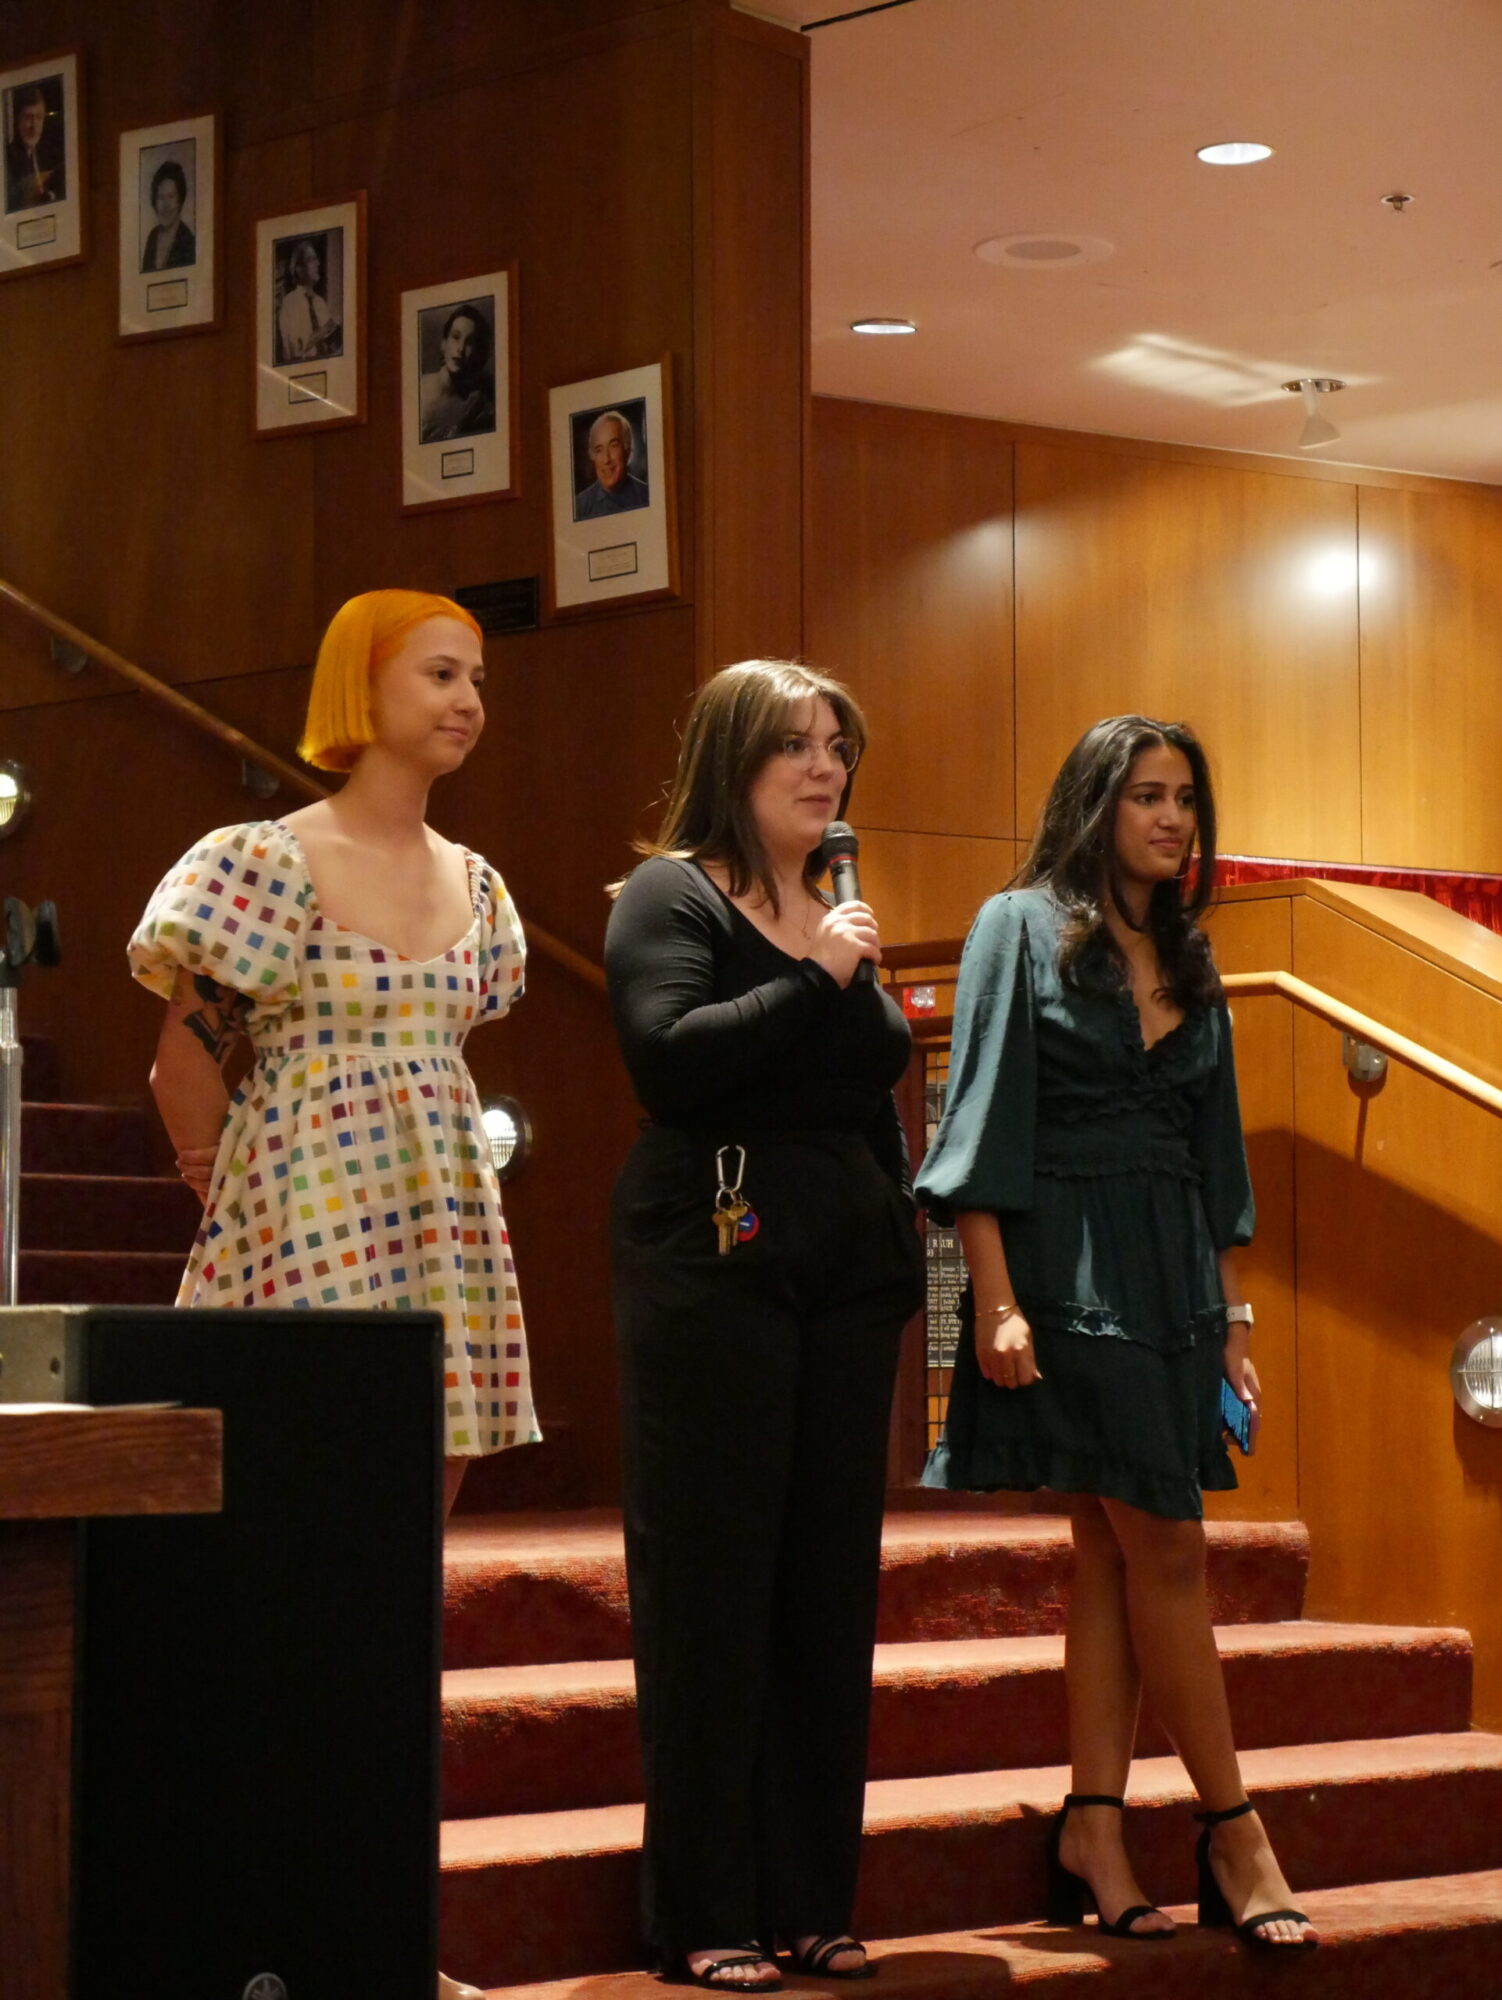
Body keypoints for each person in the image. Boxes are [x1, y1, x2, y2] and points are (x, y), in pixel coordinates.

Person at [129, 588, 537, 2000]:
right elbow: (182, 1060)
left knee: (396, 1604)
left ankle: (380, 1936)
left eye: (477, 675)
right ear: (363, 683)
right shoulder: (261, 863)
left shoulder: (479, 887)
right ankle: (264, 1929)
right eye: (438, 671)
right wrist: (235, 1189)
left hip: (438, 1240)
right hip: (301, 1239)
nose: (466, 697)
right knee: (284, 1594)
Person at [917, 715, 1317, 1953]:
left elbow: (1214, 1156)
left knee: (1109, 1543)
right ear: (1093, 802)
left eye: (1185, 799)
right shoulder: (1014, 923)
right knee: (1172, 1547)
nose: (1169, 819)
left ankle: (1094, 1819)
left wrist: (1234, 1315)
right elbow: (977, 1124)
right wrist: (993, 1297)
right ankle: (1233, 1827)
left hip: (1173, 1279)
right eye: (1145, 794)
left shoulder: (1189, 950)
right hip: (1063, 1263)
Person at [605, 661, 925, 1991]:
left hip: (843, 1270)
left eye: (837, 746)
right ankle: (705, 1910)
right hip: (713, 1257)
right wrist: (817, 971)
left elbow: (862, 1086)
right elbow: (669, 1055)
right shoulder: (668, 891)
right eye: (792, 745)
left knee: (823, 1586)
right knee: (712, 1582)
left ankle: (809, 1897)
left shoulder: (835, 902)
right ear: (731, 759)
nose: (823, 768)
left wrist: (895, 1241)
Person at [419, 303, 496, 443]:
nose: (460, 349)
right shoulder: (420, 390)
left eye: (469, 342)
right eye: (455, 337)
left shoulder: (475, 403)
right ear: (444, 344)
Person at [574, 409, 649, 518]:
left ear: (628, 449)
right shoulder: (579, 506)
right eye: (599, 450)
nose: (606, 459)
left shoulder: (647, 495)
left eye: (613, 446)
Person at [277, 237, 341, 363]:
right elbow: (297, 349)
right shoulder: (289, 303)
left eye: (316, 259)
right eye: (311, 259)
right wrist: (327, 327)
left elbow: (330, 343)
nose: (317, 264)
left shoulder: (320, 302)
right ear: (299, 270)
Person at [5, 82, 64, 211]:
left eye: (39, 117)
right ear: (17, 120)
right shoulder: (6, 160)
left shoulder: (48, 156)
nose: (34, 126)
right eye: (28, 117)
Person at [141, 156, 196, 271]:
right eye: (161, 197)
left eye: (171, 197)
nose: (166, 205)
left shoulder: (188, 242)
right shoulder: (152, 237)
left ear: (180, 200)